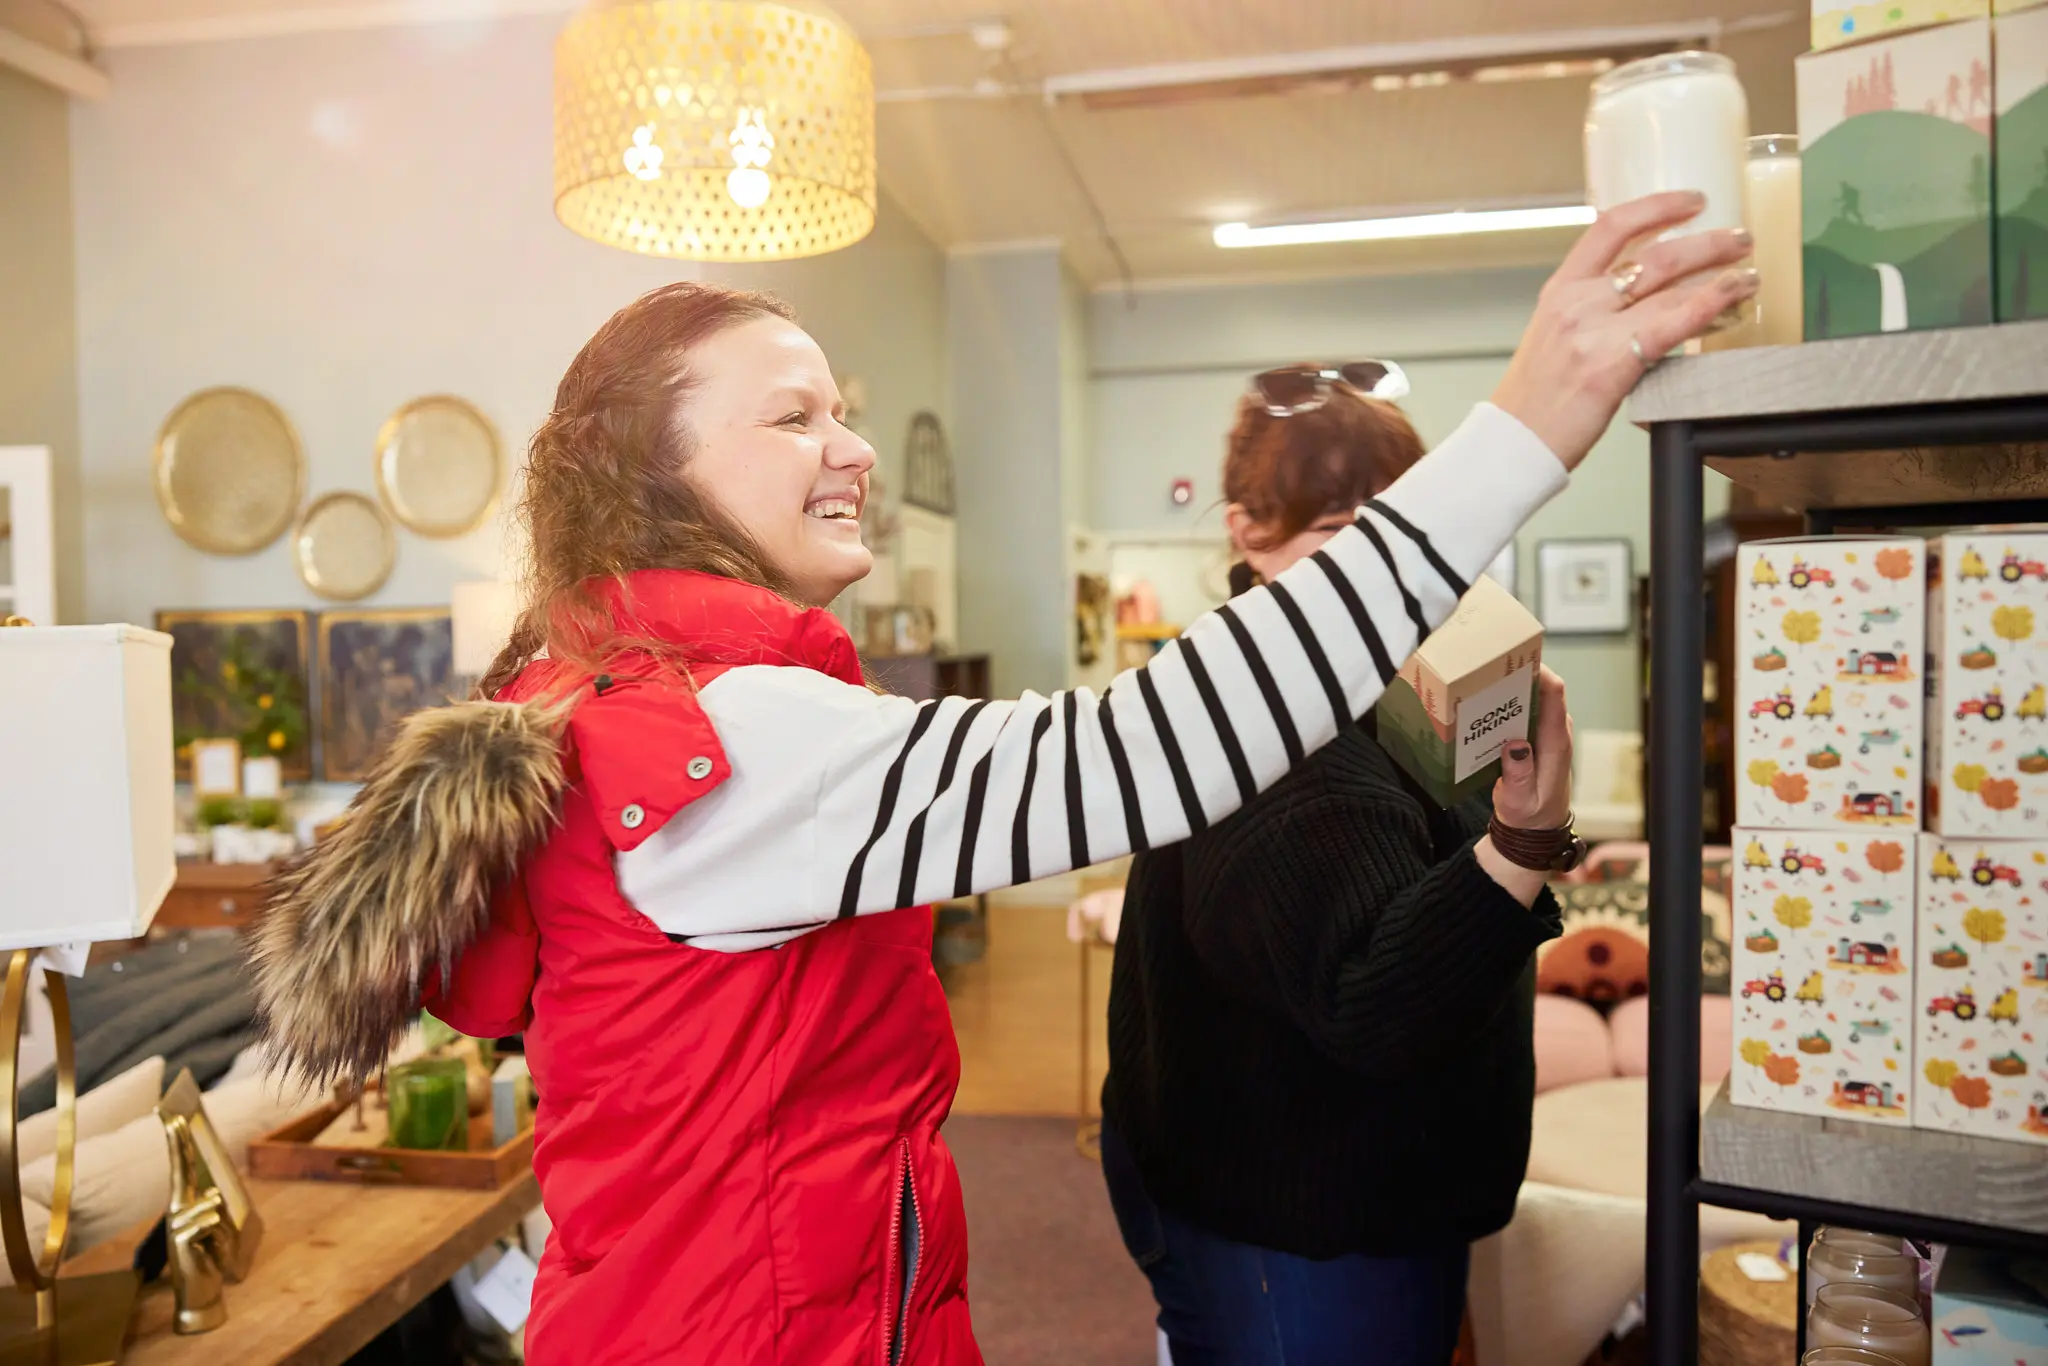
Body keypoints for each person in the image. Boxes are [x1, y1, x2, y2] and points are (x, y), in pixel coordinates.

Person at [251, 193, 1755, 1366]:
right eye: (791, 415)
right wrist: (1535, 420)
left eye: (841, 405)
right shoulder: (722, 742)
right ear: (652, 472)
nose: (849, 449)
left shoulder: (631, 703)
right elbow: (1140, 751)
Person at [1097, 370, 1575, 1366]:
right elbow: (1374, 998)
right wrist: (1523, 840)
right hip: (1297, 1221)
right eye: (1337, 538)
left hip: (1316, 1197)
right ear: (1244, 532)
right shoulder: (1280, 730)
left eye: (1405, 537)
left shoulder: (1363, 677)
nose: (1383, 576)